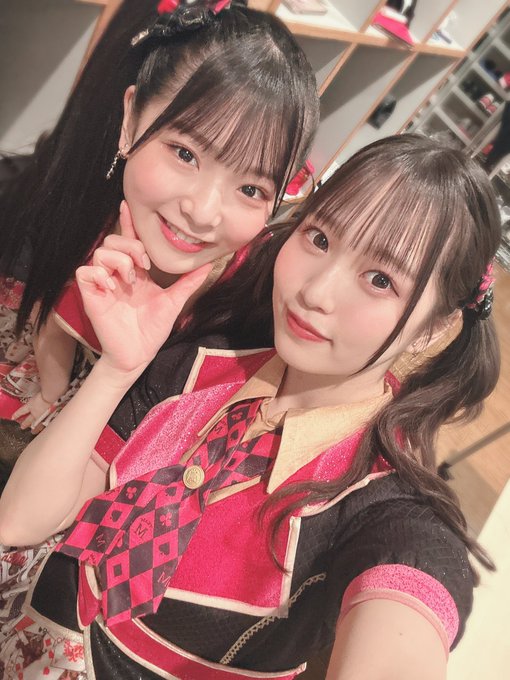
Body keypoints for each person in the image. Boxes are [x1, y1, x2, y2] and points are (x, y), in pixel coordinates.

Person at [0, 134, 501, 679]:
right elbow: (21, 519)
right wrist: (116, 371)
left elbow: (406, 603)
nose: (316, 293)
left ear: (432, 329)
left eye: (380, 280)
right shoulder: (201, 364)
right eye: (319, 238)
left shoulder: (384, 509)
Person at [0, 0, 319, 434]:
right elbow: (53, 327)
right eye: (185, 154)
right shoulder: (75, 231)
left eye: (250, 189)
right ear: (130, 120)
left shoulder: (250, 309)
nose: (202, 212)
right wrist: (51, 397)